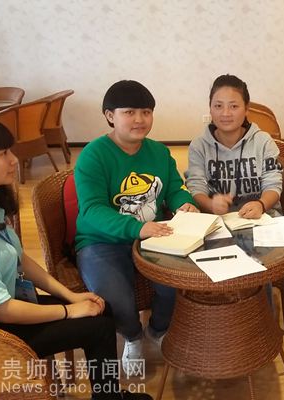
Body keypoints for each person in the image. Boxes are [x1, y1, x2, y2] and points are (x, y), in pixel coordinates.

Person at [0, 118, 151, 400]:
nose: (14, 160)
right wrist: (69, 311)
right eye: (3, 153)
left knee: (100, 308)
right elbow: (2, 311)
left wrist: (70, 296)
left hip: (5, 304)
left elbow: (20, 260)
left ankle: (108, 395)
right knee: (97, 327)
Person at [74, 80, 198, 376]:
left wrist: (185, 203)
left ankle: (158, 329)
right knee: (115, 298)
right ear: (110, 116)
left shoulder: (159, 152)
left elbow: (174, 189)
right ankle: (132, 336)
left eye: (146, 112)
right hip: (101, 241)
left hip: (153, 236)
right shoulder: (93, 155)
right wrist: (136, 228)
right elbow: (92, 210)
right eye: (129, 112)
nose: (140, 120)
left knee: (177, 284)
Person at [186, 74, 283, 218]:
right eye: (218, 106)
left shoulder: (263, 141)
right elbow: (196, 186)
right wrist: (210, 204)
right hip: (217, 221)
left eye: (234, 106)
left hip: (263, 218)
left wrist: (261, 204)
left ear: (246, 109)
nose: (225, 113)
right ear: (210, 108)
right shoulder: (199, 146)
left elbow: (273, 184)